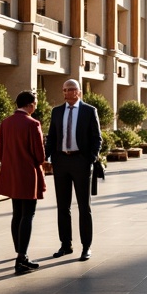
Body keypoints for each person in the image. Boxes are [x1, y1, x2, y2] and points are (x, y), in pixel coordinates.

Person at [45, 79, 101, 262]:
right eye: (64, 89)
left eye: (70, 89)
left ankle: (86, 246)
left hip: (81, 162)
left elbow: (96, 138)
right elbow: (51, 137)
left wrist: (90, 159)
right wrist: (47, 158)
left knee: (84, 207)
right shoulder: (57, 111)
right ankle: (65, 244)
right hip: (61, 162)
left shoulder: (89, 111)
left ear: (78, 92)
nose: (66, 92)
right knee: (63, 207)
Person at [0, 91, 47, 274]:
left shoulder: (6, 123)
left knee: (17, 213)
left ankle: (19, 252)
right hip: (28, 174)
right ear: (30, 104)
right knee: (28, 214)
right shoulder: (33, 124)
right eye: (35, 103)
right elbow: (40, 155)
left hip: (11, 173)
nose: (36, 106)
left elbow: (0, 151)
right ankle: (22, 258)